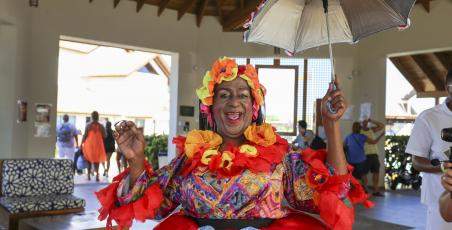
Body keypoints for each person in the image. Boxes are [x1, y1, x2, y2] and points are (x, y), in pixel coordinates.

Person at [96, 57, 371, 230]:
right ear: (210, 108)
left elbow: (336, 186)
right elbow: (154, 208)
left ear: (253, 107)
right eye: (224, 94)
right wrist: (135, 159)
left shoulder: (280, 157)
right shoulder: (189, 160)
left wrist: (331, 124)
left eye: (243, 95)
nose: (234, 101)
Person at [406, 69, 452, 230]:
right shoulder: (429, 117)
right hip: (439, 200)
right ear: (448, 88)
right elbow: (417, 161)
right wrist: (442, 166)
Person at [360, 117, 385, 196]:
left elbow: (381, 126)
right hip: (365, 155)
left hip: (374, 154)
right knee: (364, 173)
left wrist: (372, 120)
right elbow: (374, 142)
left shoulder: (371, 130)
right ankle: (365, 189)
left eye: (366, 122)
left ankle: (376, 190)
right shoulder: (360, 132)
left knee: (376, 172)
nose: (365, 123)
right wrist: (381, 135)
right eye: (363, 122)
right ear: (361, 123)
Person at [82, 111, 107, 182]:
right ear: (98, 117)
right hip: (98, 145)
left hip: (89, 145)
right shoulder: (101, 126)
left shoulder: (88, 125)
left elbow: (85, 135)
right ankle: (97, 176)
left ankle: (89, 176)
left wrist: (81, 144)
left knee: (89, 160)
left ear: (92, 117)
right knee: (97, 161)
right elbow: (105, 136)